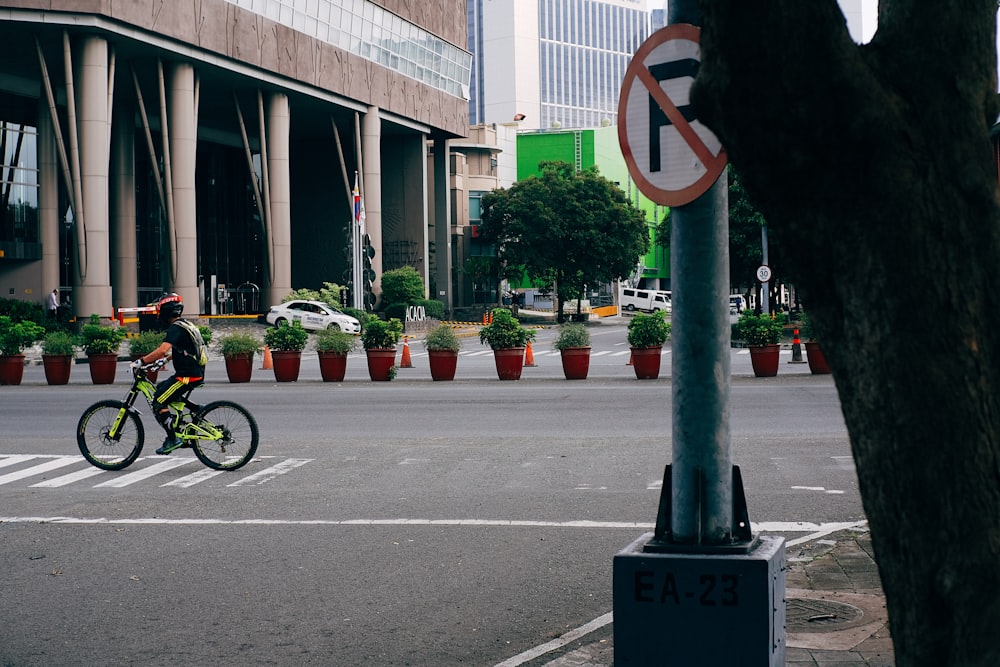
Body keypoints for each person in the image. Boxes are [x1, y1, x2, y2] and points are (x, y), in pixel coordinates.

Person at [132, 292, 206, 455]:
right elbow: (185, 349)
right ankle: (196, 409)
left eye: (159, 311)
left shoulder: (175, 328)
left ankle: (173, 438)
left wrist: (141, 361)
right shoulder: (186, 324)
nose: (158, 316)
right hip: (193, 372)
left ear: (166, 312)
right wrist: (165, 361)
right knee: (162, 388)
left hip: (186, 376)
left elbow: (162, 349)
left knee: (158, 401)